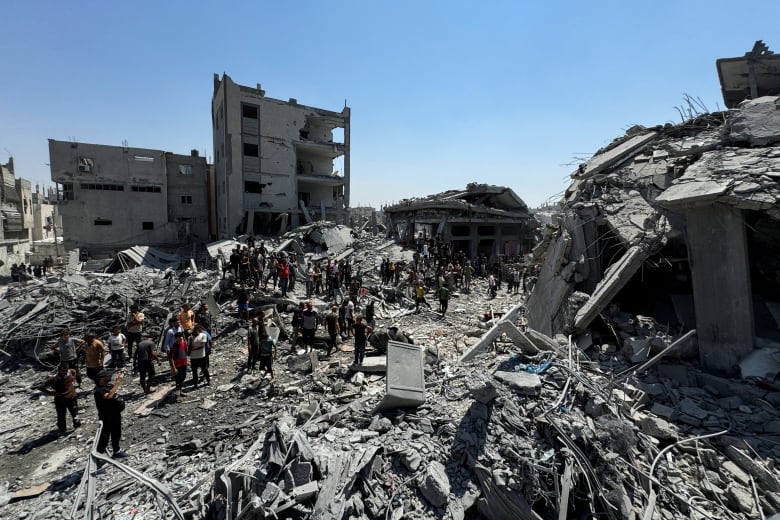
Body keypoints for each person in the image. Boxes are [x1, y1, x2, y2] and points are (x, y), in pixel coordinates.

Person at [37, 363, 81, 433]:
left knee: (74, 413)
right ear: (59, 370)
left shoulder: (70, 372)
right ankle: (63, 429)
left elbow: (74, 371)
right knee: (62, 415)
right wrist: (52, 393)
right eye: (64, 370)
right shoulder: (54, 379)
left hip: (70, 397)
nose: (66, 371)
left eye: (66, 369)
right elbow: (41, 387)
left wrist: (73, 379)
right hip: (61, 399)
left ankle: (76, 426)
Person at [94, 370, 127, 459]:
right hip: (106, 417)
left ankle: (116, 450)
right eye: (108, 376)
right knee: (104, 437)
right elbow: (109, 396)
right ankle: (98, 458)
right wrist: (118, 382)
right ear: (102, 379)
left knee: (116, 433)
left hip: (115, 414)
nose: (110, 377)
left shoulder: (108, 386)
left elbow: (113, 392)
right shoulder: (98, 390)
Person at [168, 331, 189, 399]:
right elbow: (170, 358)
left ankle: (180, 391)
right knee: (178, 381)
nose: (180, 338)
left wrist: (187, 360)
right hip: (177, 365)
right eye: (179, 337)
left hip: (184, 363)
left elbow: (185, 352)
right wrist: (173, 368)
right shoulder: (173, 346)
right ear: (175, 338)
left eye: (181, 337)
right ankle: (177, 395)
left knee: (183, 377)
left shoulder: (183, 343)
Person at [125, 304, 144, 371]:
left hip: (137, 332)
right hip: (130, 332)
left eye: (133, 309)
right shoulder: (128, 315)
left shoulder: (141, 314)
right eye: (131, 309)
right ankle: (130, 356)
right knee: (129, 345)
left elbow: (140, 322)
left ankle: (139, 356)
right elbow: (128, 324)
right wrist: (136, 322)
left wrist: (135, 317)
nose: (132, 310)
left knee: (139, 344)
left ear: (136, 309)